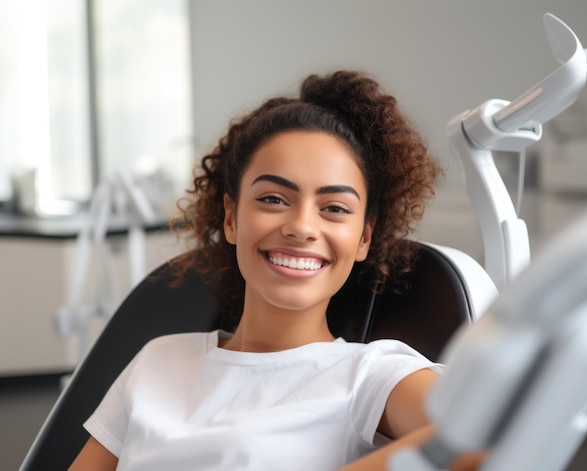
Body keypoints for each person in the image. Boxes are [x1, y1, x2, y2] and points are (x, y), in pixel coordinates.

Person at [69, 70, 480, 470]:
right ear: (231, 217)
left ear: (363, 239)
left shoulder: (368, 377)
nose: (301, 227)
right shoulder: (159, 360)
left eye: (334, 208)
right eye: (273, 199)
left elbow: (490, 435)